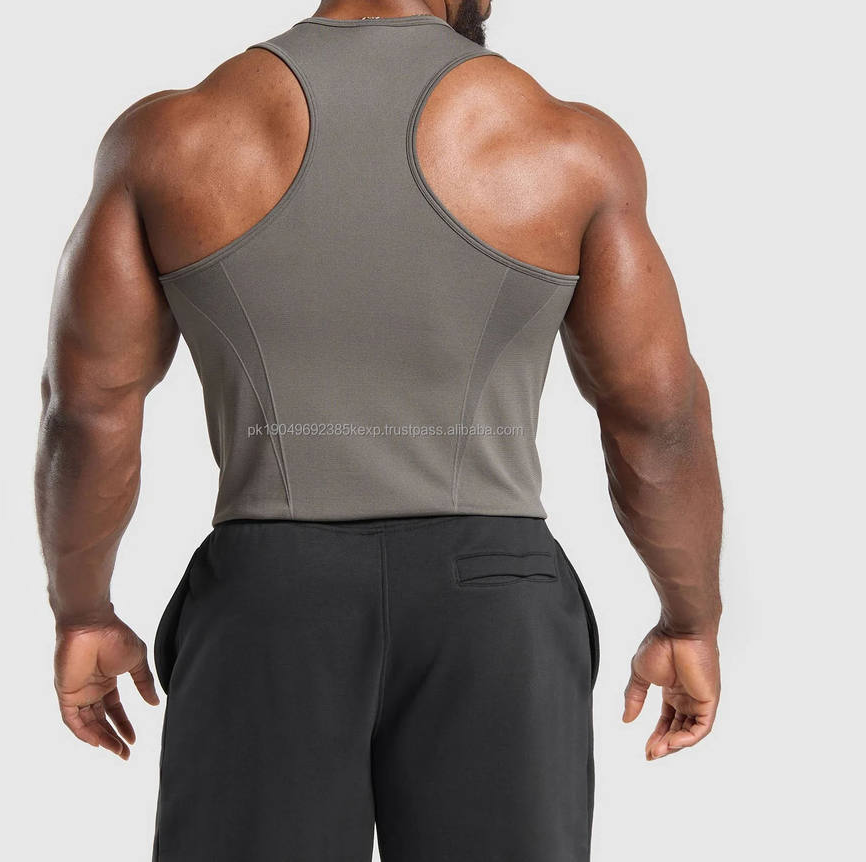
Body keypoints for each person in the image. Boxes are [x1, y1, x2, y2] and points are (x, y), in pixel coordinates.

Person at [35, 1, 723, 858]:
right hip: (495, 606)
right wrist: (690, 620)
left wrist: (83, 613)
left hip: (270, 601)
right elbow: (657, 419)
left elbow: (87, 409)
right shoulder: (568, 146)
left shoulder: (174, 136)